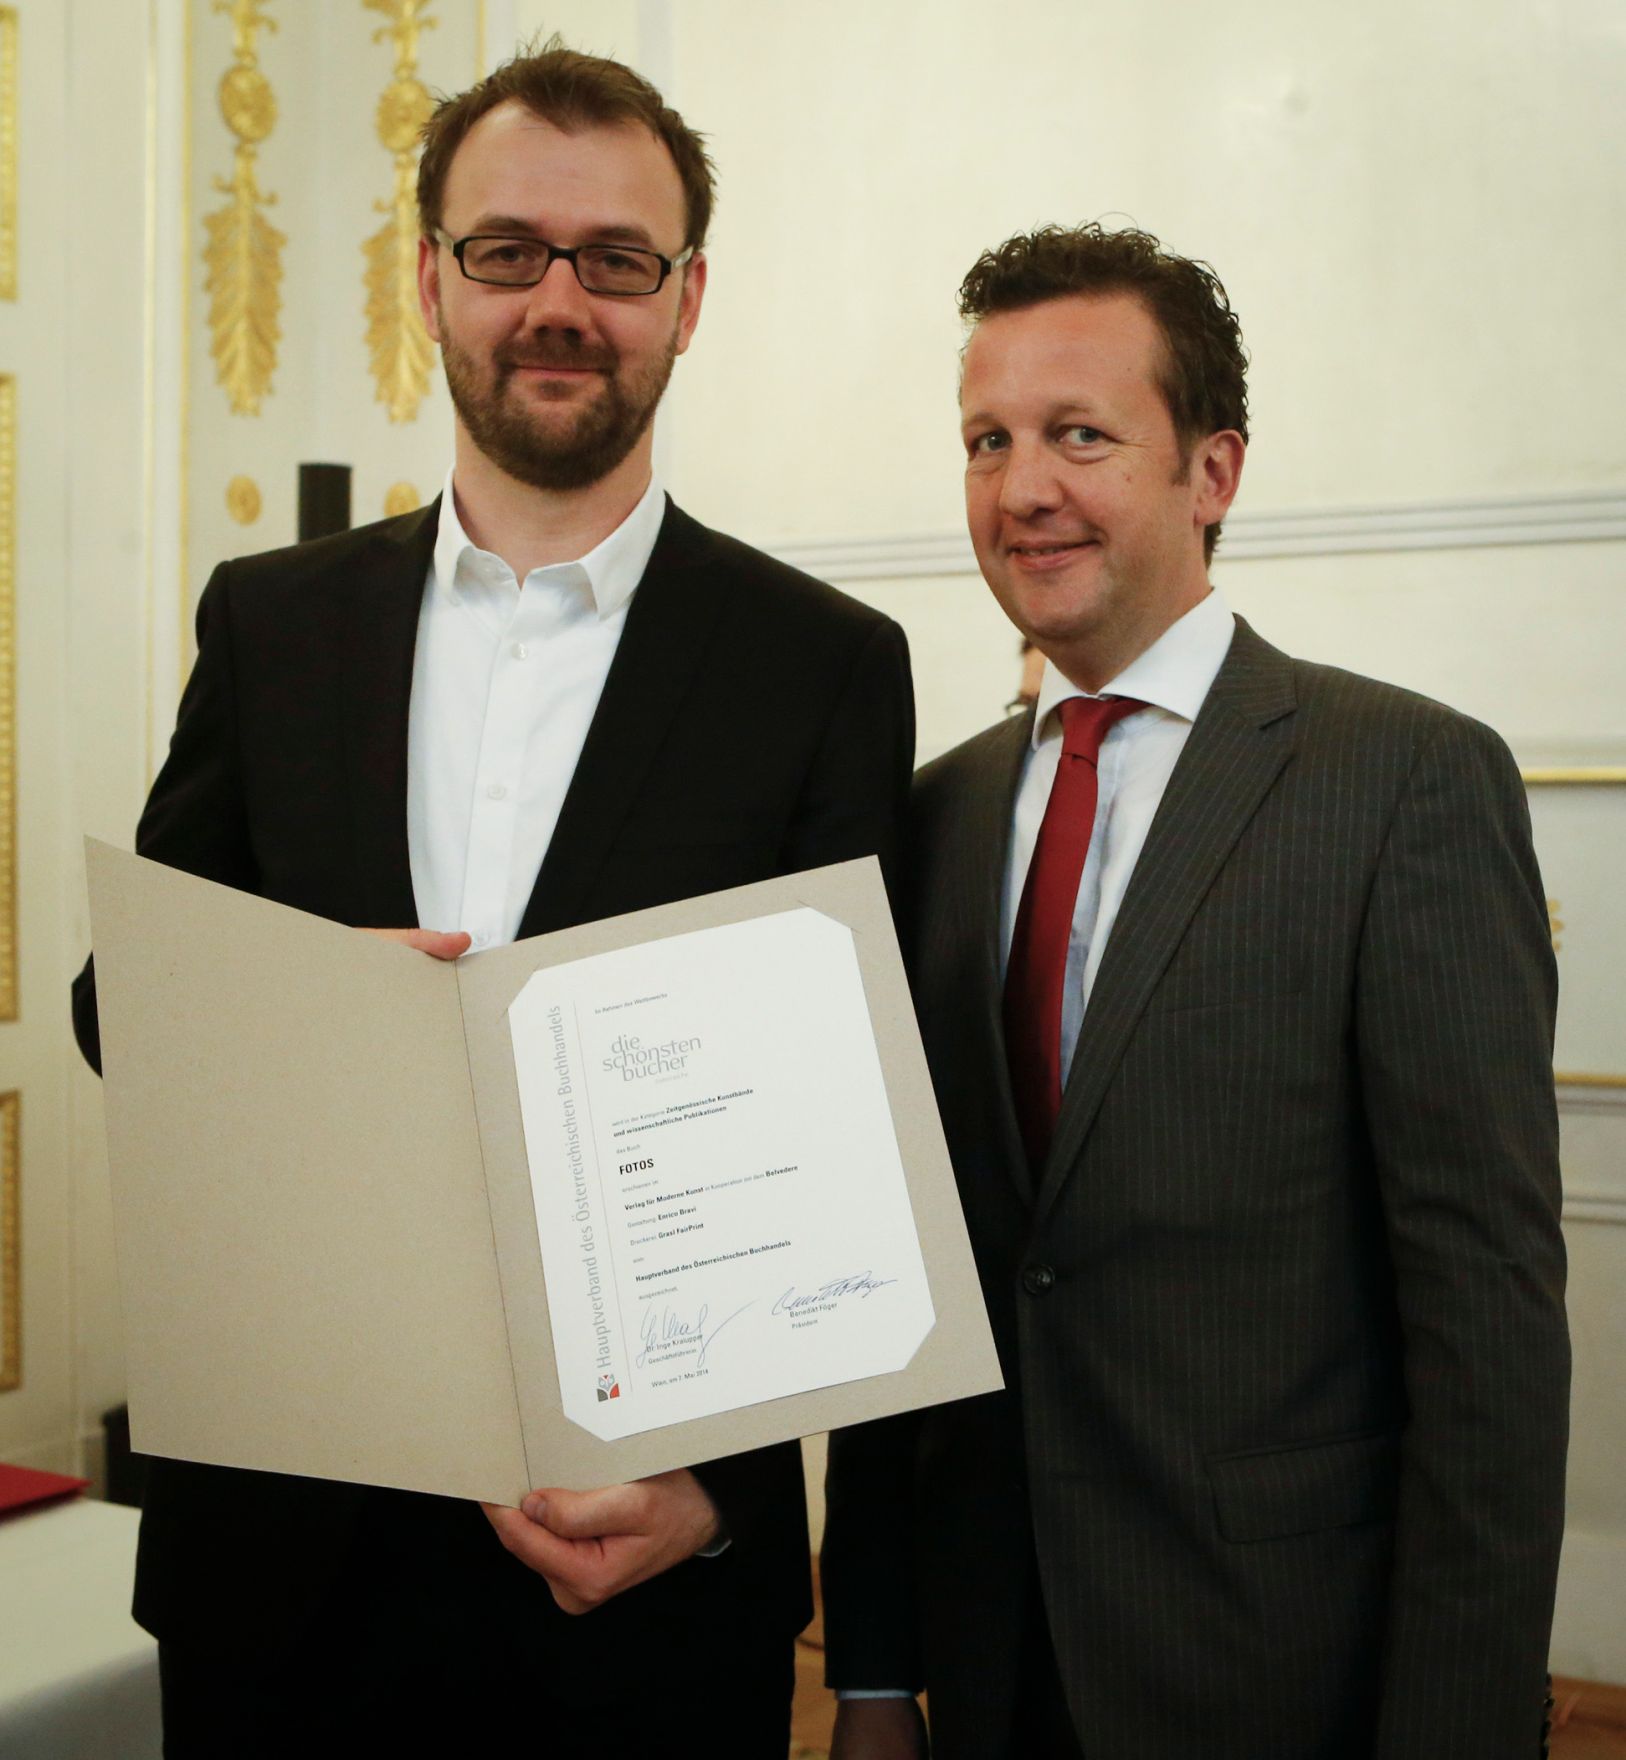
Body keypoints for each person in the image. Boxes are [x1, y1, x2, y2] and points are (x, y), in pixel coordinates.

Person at [72, 42, 912, 1758]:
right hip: (276, 1556)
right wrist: (294, 1005)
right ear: (427, 279)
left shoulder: (823, 667)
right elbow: (119, 1007)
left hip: (633, 1570)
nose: (558, 301)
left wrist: (721, 1500)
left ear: (686, 302)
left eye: (615, 262)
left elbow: (846, 1148)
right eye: (507, 250)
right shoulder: (268, 620)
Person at [821, 223, 1568, 1760]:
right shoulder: (931, 817)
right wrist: (875, 1670)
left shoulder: (1406, 783)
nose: (1022, 486)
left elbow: (1484, 1332)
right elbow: (920, 1288)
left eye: (1079, 435)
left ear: (1211, 471)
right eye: (987, 441)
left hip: (1276, 1673)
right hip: (982, 1664)